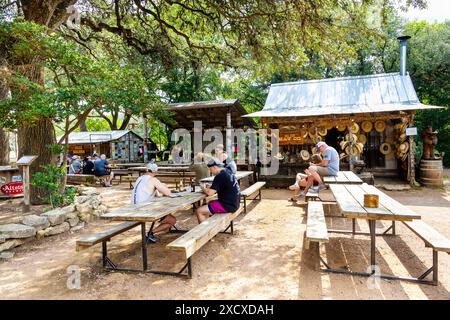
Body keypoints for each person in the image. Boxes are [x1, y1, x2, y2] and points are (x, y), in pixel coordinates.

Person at [131, 163, 176, 243]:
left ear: (146, 170)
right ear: (156, 172)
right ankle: (149, 233)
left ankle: (150, 233)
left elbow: (156, 194)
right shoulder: (153, 180)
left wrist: (158, 189)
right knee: (172, 220)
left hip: (134, 208)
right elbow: (168, 193)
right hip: (144, 210)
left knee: (165, 212)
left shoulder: (140, 178)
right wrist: (163, 186)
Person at [196, 158, 240, 223]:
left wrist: (203, 188)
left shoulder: (220, 176)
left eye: (210, 169)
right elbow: (219, 187)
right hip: (235, 203)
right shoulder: (227, 171)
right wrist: (209, 188)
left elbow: (209, 193)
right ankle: (208, 225)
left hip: (228, 206)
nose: (211, 172)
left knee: (199, 211)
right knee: (209, 203)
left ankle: (206, 231)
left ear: (214, 167)